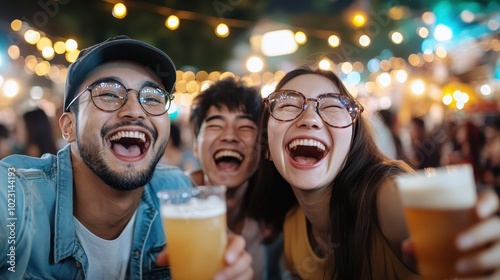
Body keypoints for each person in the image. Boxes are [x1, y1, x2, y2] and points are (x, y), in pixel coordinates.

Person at [0, 36, 252, 279]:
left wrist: (230, 265)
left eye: (152, 98)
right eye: (108, 93)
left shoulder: (178, 192)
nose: (134, 111)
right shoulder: (15, 197)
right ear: (68, 127)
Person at [247, 65, 500, 279]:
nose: (310, 118)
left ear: (352, 142)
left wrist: (476, 244)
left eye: (332, 106)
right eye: (288, 104)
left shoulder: (384, 195)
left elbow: (447, 239)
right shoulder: (292, 228)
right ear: (268, 146)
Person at [186, 77, 284, 279]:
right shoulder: (167, 212)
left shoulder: (276, 223)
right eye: (215, 126)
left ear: (262, 148)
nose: (229, 136)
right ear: (196, 146)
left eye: (246, 127)